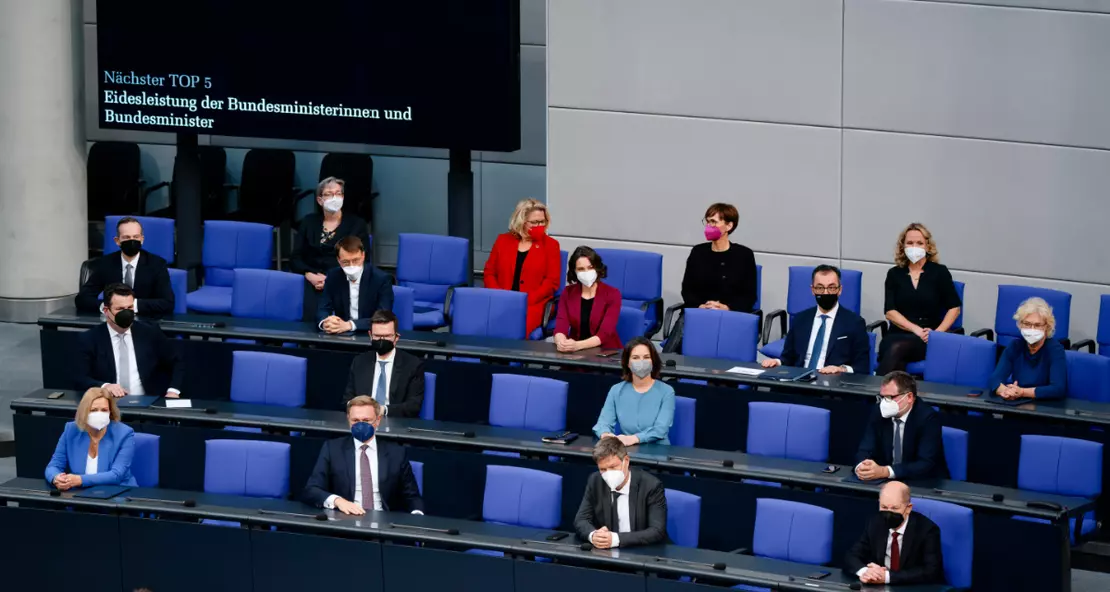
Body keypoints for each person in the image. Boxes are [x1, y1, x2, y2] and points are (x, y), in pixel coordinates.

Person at [302, 396, 424, 515]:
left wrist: (417, 517)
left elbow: (412, 497)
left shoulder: (396, 453)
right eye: (355, 420)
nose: (360, 425)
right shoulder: (332, 449)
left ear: (378, 420)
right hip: (346, 519)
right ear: (348, 419)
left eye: (366, 421)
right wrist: (338, 501)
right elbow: (312, 489)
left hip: (384, 522)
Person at [877, 223, 962, 374]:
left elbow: (954, 307)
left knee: (897, 351)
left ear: (928, 246)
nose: (914, 247)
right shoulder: (894, 274)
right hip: (898, 333)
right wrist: (915, 329)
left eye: (919, 243)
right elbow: (890, 311)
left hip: (928, 337)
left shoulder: (939, 272)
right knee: (896, 353)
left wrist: (937, 333)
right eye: (910, 243)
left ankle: (877, 393)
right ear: (902, 246)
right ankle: (895, 395)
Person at [77, 283, 183, 398]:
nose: (126, 313)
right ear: (106, 311)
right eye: (120, 309)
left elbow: (177, 362)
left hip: (147, 404)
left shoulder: (150, 333)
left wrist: (173, 391)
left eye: (130, 308)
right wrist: (105, 386)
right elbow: (80, 377)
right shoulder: (90, 339)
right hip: (108, 405)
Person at [761, 265, 869, 374]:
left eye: (831, 287)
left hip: (831, 382)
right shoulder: (800, 319)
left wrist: (841, 369)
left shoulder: (855, 323)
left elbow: (862, 367)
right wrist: (777, 362)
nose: (826, 293)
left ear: (839, 290)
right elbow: (788, 358)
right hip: (799, 380)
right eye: (820, 288)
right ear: (813, 290)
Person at [291, 177, 371, 322]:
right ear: (320, 200)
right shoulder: (309, 222)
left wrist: (330, 279)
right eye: (329, 194)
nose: (334, 198)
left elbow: (364, 261)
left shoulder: (357, 225)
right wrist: (309, 275)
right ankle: (308, 339)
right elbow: (295, 257)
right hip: (311, 279)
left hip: (343, 278)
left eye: (338, 193)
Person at [483, 198, 561, 336]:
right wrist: (500, 296)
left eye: (542, 221)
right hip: (500, 299)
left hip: (533, 303)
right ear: (521, 221)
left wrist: (526, 300)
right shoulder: (503, 240)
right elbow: (489, 273)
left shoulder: (551, 245)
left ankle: (509, 357)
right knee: (483, 325)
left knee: (513, 329)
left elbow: (552, 282)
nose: (539, 225)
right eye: (534, 222)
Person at [844, 481, 944, 585]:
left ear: (908, 508)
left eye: (894, 508)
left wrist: (887, 577)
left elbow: (931, 572)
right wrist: (866, 572)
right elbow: (852, 556)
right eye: (884, 507)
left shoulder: (927, 529)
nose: (888, 513)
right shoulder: (874, 523)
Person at [574, 438, 667, 548]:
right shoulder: (595, 481)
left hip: (642, 550)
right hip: (606, 553)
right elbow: (581, 519)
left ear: (626, 461)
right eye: (603, 469)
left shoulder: (651, 485)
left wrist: (615, 539)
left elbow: (656, 531)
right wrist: (594, 535)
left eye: (613, 467)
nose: (608, 474)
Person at [75, 216, 175, 319]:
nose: (132, 241)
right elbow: (82, 298)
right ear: (117, 241)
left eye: (136, 237)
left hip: (145, 321)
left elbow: (167, 303)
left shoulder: (157, 264)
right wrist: (107, 306)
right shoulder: (105, 263)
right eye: (126, 237)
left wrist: (131, 306)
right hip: (113, 322)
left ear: (142, 239)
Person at [855, 371, 947, 481]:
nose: (885, 403)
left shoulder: (928, 418)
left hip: (922, 481)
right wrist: (862, 467)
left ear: (909, 397)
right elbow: (865, 448)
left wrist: (886, 471)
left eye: (890, 397)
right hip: (887, 479)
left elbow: (925, 463)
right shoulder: (879, 412)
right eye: (883, 397)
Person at [45, 387, 137, 489]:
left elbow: (116, 475)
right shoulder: (71, 430)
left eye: (104, 410)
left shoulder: (124, 434)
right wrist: (56, 478)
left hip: (117, 494)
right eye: (93, 410)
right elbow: (54, 466)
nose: (99, 414)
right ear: (84, 412)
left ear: (110, 412)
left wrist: (80, 480)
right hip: (81, 495)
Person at [593, 337, 676, 446]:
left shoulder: (667, 391)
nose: (641, 362)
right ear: (627, 363)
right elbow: (603, 423)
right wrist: (606, 435)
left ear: (653, 361)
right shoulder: (616, 390)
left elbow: (660, 430)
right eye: (635, 358)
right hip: (626, 451)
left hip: (657, 453)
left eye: (646, 357)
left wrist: (634, 438)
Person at [344, 310, 426, 417]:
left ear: (396, 337)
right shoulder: (360, 362)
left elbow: (413, 406)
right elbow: (347, 400)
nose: (382, 340)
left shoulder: (412, 364)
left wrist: (384, 410)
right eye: (377, 336)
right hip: (362, 422)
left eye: (387, 336)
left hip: (395, 423)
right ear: (370, 335)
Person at [680, 203, 758, 314]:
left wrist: (727, 308)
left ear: (729, 226)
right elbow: (687, 290)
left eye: (713, 222)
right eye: (707, 221)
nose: (708, 226)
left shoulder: (744, 255)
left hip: (730, 315)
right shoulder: (698, 252)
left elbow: (749, 295)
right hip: (699, 313)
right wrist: (700, 306)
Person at [989, 297, 1067, 401]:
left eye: (1037, 325)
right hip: (1016, 404)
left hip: (1044, 407)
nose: (1032, 329)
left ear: (1047, 327)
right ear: (1020, 325)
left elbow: (1058, 388)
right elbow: (995, 379)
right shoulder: (1015, 346)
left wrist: (1022, 392)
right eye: (1027, 324)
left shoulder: (1055, 350)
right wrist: (1005, 391)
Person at [317, 236, 393, 334]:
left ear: (363, 256)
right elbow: (323, 308)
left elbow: (383, 317)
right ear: (338, 260)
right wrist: (325, 323)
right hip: (340, 334)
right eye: (346, 262)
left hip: (370, 334)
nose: (351, 265)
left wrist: (349, 325)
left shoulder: (381, 279)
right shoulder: (333, 276)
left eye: (356, 260)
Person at [554, 246, 623, 352]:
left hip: (605, 353)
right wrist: (561, 342)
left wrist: (577, 345)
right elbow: (561, 325)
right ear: (574, 272)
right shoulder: (568, 292)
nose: (586, 272)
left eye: (590, 267)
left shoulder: (613, 294)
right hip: (574, 352)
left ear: (597, 268)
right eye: (581, 269)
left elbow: (605, 333)